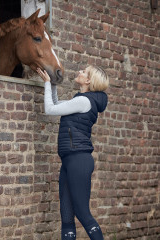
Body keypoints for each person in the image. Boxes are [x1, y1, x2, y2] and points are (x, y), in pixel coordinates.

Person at [36, 65, 109, 240]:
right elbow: (55, 103)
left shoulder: (84, 101)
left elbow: (50, 110)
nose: (79, 72)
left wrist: (46, 83)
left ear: (89, 80)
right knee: (67, 217)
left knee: (82, 213)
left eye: (84, 72)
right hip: (70, 160)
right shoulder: (80, 100)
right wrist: (52, 82)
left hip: (79, 160)